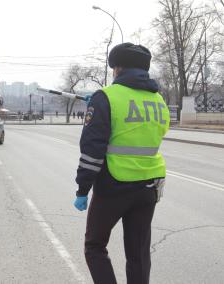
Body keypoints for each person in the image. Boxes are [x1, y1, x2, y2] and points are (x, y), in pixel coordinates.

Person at [73, 43, 170, 284]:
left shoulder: (107, 97)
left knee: (95, 246)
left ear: (117, 69)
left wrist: (82, 189)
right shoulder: (159, 100)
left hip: (114, 185)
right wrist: (99, 103)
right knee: (138, 253)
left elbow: (92, 151)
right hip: (149, 185)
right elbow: (156, 131)